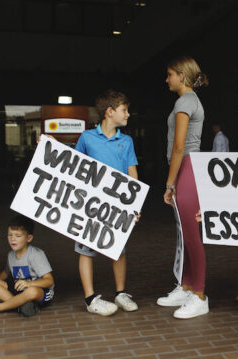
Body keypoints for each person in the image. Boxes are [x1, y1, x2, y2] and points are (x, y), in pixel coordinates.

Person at [73, 90, 140, 315]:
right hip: (90, 205)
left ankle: (121, 294)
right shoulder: (86, 138)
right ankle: (90, 299)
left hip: (118, 205)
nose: (128, 114)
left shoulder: (127, 140)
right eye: (124, 110)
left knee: (119, 250)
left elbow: (132, 173)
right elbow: (73, 168)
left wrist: (135, 205)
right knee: (85, 250)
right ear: (110, 112)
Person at [156, 56, 210, 319]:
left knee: (191, 236)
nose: (167, 80)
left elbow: (179, 146)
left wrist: (169, 183)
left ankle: (199, 295)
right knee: (186, 235)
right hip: (188, 169)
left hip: (187, 170)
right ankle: (187, 286)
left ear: (181, 74)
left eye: (169, 74)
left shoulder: (185, 101)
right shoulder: (189, 101)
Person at [0, 216, 54, 316]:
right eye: (9, 235)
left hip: (39, 292)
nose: (13, 239)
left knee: (31, 292)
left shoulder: (36, 255)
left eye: (18, 236)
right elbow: (6, 273)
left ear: (29, 238)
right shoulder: (10, 255)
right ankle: (22, 306)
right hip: (19, 290)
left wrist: (29, 284)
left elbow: (49, 281)